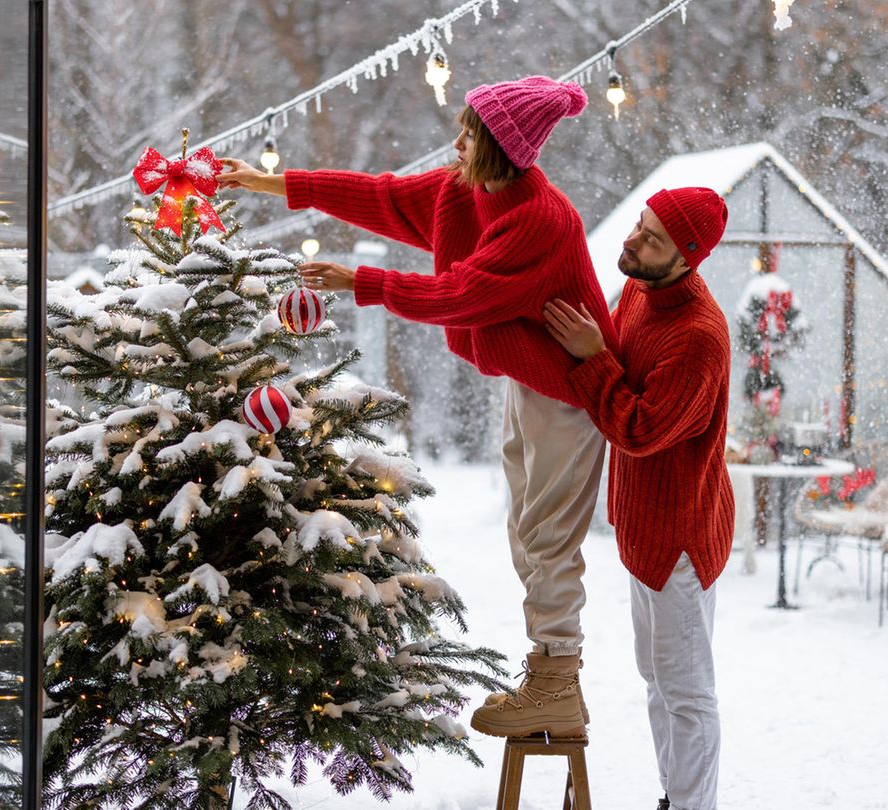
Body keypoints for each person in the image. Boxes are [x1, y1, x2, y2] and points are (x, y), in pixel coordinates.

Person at [217, 76, 613, 738]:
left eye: (470, 134)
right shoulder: (468, 191)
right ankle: (547, 669)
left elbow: (457, 293)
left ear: (501, 149)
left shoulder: (540, 220)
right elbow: (380, 196)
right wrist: (264, 183)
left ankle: (556, 683)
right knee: (528, 530)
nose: (455, 142)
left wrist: (361, 282)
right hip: (530, 378)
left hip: (567, 395)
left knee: (547, 536)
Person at [542, 187, 734, 810]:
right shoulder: (640, 292)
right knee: (657, 679)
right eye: (639, 226)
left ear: (688, 257)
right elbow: (622, 367)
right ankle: (673, 797)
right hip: (644, 532)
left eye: (652, 239)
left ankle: (691, 806)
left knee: (687, 691)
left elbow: (641, 430)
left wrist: (592, 358)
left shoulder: (698, 338)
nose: (632, 241)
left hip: (679, 536)